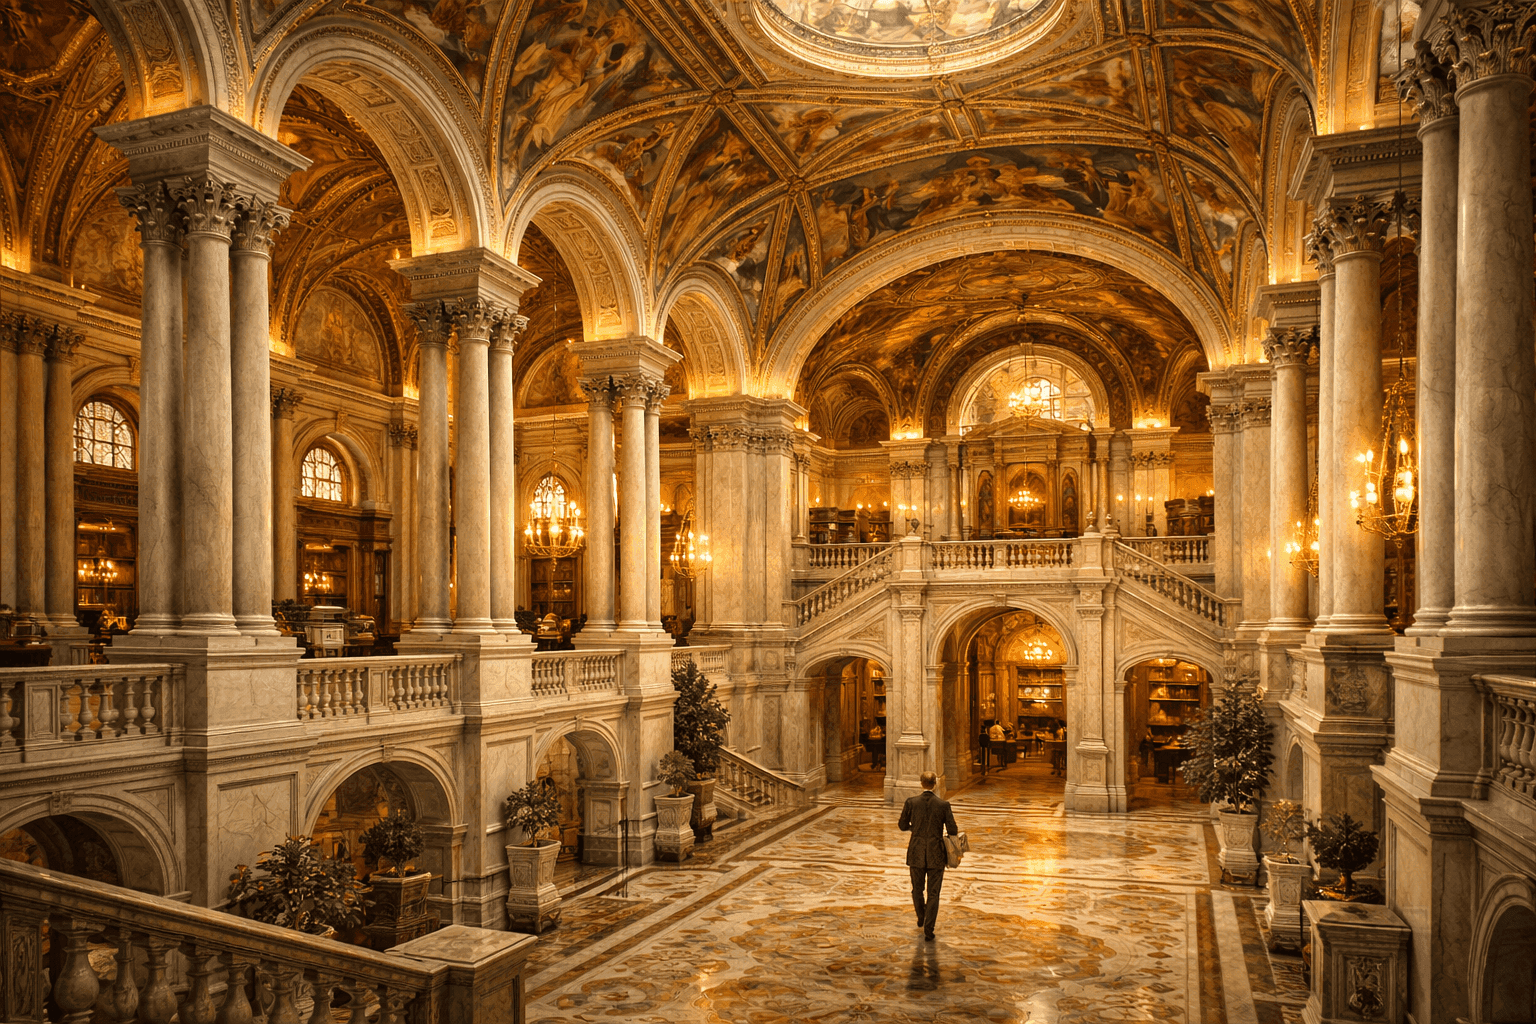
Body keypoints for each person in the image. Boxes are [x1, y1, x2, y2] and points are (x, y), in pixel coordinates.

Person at [898, 771, 959, 940]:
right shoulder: (943, 805)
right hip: (936, 854)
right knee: (934, 893)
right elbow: (953, 830)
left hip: (916, 851)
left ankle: (921, 916)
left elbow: (902, 825)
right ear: (936, 784)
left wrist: (913, 828)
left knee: (917, 889)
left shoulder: (911, 802)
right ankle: (929, 929)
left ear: (921, 783)